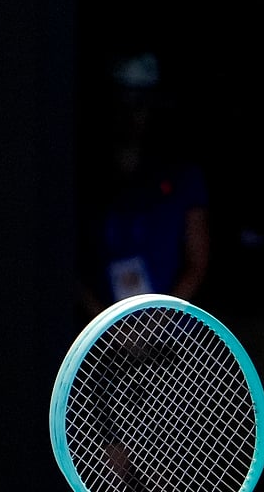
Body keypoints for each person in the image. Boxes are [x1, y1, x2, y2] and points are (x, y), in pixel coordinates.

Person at [74, 51, 211, 324]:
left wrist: (157, 324)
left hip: (170, 337)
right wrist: (107, 325)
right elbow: (66, 263)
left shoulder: (183, 175)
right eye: (122, 99)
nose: (131, 112)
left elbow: (198, 262)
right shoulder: (81, 176)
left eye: (140, 102)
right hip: (100, 338)